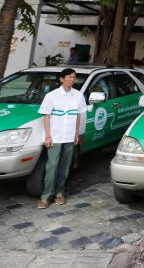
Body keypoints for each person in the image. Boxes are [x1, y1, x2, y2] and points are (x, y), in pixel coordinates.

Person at [37, 68, 86, 209]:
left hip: (70, 137)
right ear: (62, 79)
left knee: (65, 167)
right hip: (55, 136)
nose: (72, 79)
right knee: (52, 166)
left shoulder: (78, 96)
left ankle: (60, 193)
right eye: (69, 77)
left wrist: (76, 134)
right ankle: (46, 197)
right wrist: (47, 136)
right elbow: (46, 116)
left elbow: (77, 116)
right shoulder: (51, 96)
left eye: (74, 77)